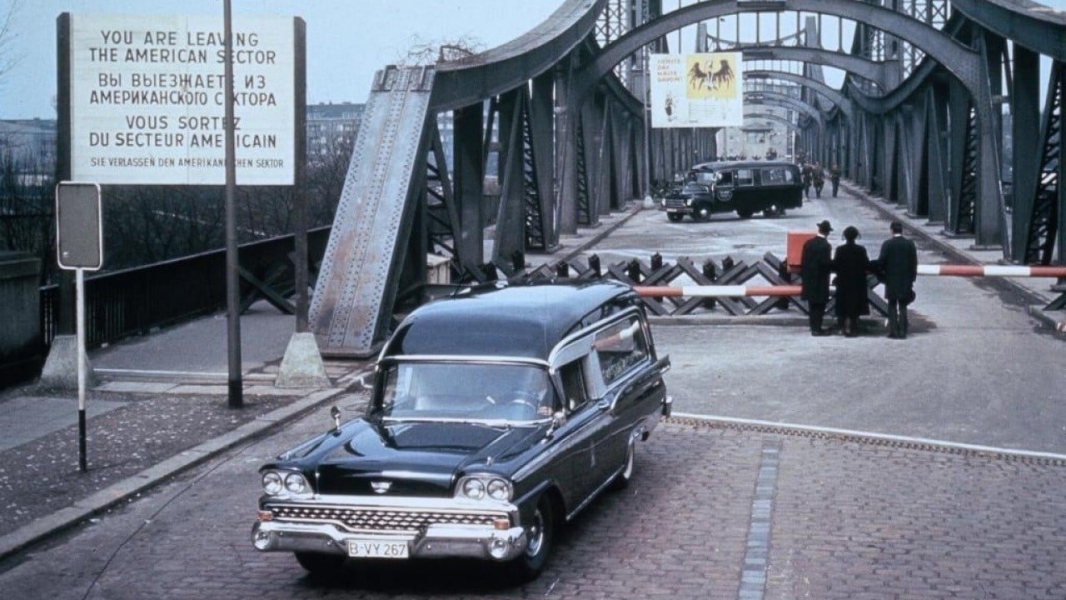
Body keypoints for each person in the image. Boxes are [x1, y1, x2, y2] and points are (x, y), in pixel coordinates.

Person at [875, 221, 918, 339]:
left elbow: (881, 262)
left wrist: (880, 275)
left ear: (892, 230)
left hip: (891, 279)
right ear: (901, 230)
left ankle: (894, 331)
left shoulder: (887, 244)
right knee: (903, 306)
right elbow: (914, 263)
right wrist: (912, 279)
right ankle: (903, 331)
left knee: (892, 305)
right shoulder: (910, 244)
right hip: (906, 280)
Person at [831, 226, 870, 337]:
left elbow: (835, 265)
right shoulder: (861, 250)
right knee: (855, 303)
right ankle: (853, 326)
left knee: (844, 303)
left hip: (843, 281)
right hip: (857, 281)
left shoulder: (840, 250)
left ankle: (843, 325)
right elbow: (866, 264)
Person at [800, 220, 834, 336]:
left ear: (819, 230)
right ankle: (817, 328)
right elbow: (826, 264)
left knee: (812, 304)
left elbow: (803, 262)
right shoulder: (826, 246)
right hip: (821, 279)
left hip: (809, 279)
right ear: (827, 233)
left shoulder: (808, 243)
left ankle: (813, 326)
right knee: (820, 305)